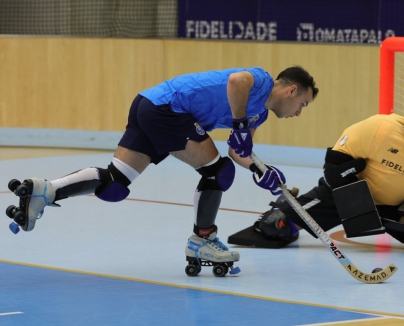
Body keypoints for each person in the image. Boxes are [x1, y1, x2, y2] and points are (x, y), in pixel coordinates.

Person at [7, 66, 318, 270]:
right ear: (291, 90)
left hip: (149, 104)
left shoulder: (258, 116)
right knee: (217, 173)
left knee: (115, 184)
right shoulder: (261, 81)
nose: (299, 112)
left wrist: (261, 170)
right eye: (303, 104)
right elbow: (237, 82)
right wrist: (237, 124)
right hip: (169, 109)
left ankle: (45, 190)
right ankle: (202, 240)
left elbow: (239, 150)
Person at [250, 94, 404, 245]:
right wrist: (347, 173)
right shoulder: (379, 128)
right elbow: (333, 168)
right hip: (348, 193)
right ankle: (287, 205)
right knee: (276, 227)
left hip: (390, 207)